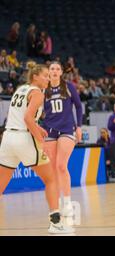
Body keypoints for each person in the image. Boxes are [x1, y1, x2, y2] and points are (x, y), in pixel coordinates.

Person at [0, 64, 73, 234]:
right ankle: (55, 223)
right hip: (23, 139)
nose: (48, 79)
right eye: (45, 75)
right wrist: (41, 140)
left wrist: (38, 127)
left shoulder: (20, 89)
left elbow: (21, 116)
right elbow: (27, 118)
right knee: (51, 179)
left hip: (8, 138)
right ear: (35, 77)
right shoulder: (38, 93)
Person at [42, 61, 83, 225]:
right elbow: (38, 111)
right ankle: (57, 203)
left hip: (67, 129)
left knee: (61, 166)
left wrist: (78, 127)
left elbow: (79, 107)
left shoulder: (68, 86)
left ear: (60, 72)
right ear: (48, 72)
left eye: (57, 69)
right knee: (52, 169)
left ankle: (67, 202)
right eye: (52, 68)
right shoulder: (43, 89)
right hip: (49, 131)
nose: (54, 71)